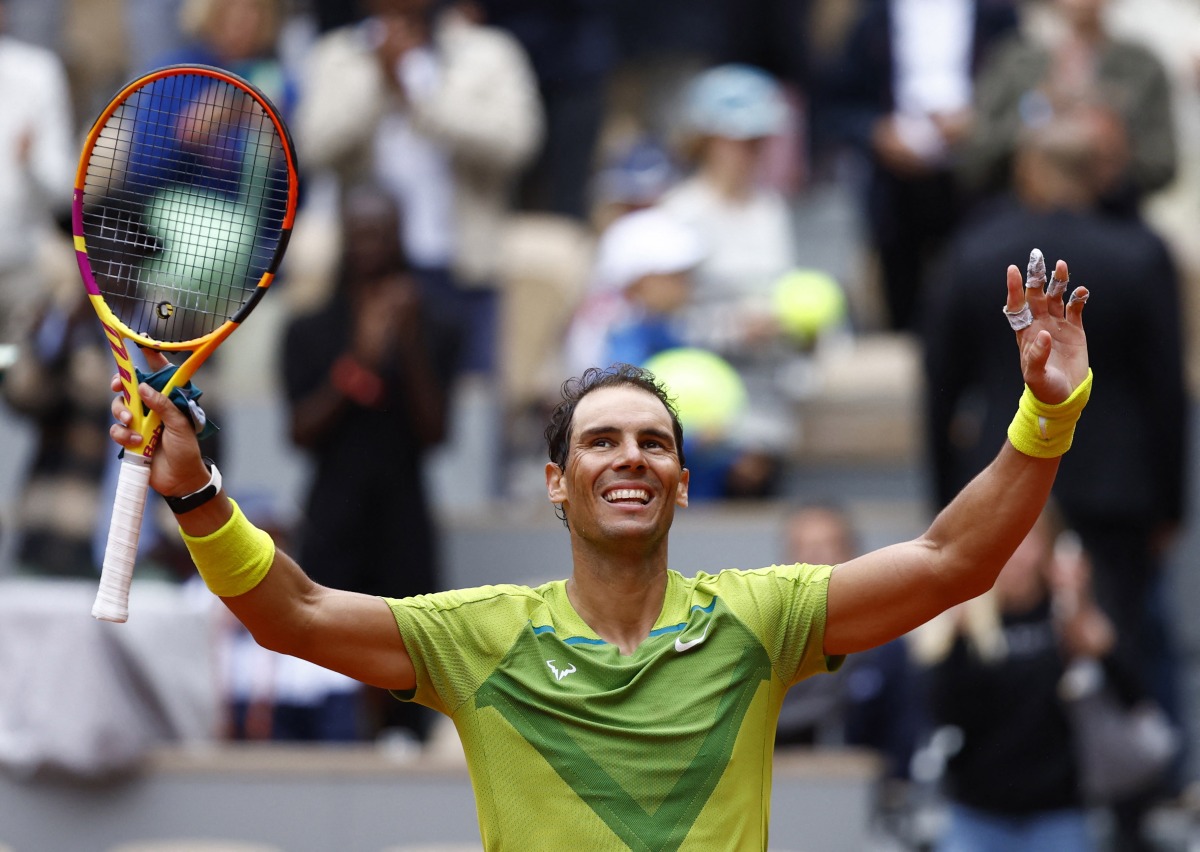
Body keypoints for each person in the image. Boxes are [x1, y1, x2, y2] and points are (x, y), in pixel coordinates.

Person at [108, 244, 1092, 848]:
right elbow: (295, 612)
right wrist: (194, 491)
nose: (631, 457)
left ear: (681, 479)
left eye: (654, 442)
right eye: (603, 441)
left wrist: (1047, 412)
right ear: (556, 481)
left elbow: (951, 560)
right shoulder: (481, 637)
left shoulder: (760, 619)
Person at [922, 104, 1187, 850]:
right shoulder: (1140, 252)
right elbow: (1170, 393)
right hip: (1116, 495)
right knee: (1113, 652)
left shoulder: (974, 254)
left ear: (1029, 170)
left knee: (992, 646)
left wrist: (943, 494)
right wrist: (1170, 503)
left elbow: (937, 388)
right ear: (1098, 172)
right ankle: (1129, 825)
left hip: (999, 484)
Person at [280, 185, 457, 742]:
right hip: (334, 510)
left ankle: (403, 742)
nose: (370, 246)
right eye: (359, 233)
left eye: (382, 233)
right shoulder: (308, 330)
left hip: (404, 511)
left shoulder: (436, 326)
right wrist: (358, 358)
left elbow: (436, 432)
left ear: (401, 237)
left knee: (408, 647)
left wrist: (404, 345)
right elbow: (301, 432)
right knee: (326, 647)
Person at [917, 506, 1143, 851]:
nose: (1016, 557)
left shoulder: (1071, 614)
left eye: (1027, 540)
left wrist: (1087, 629)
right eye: (1004, 543)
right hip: (977, 812)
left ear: (1049, 545)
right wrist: (956, 643)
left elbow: (1134, 700)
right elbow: (942, 714)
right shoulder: (967, 624)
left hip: (1061, 812)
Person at [810, 0, 1018, 331]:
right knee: (903, 300)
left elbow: (1023, 97)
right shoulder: (872, 18)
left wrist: (978, 122)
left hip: (978, 183)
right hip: (896, 185)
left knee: (984, 289)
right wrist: (877, 133)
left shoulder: (997, 14)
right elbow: (835, 103)